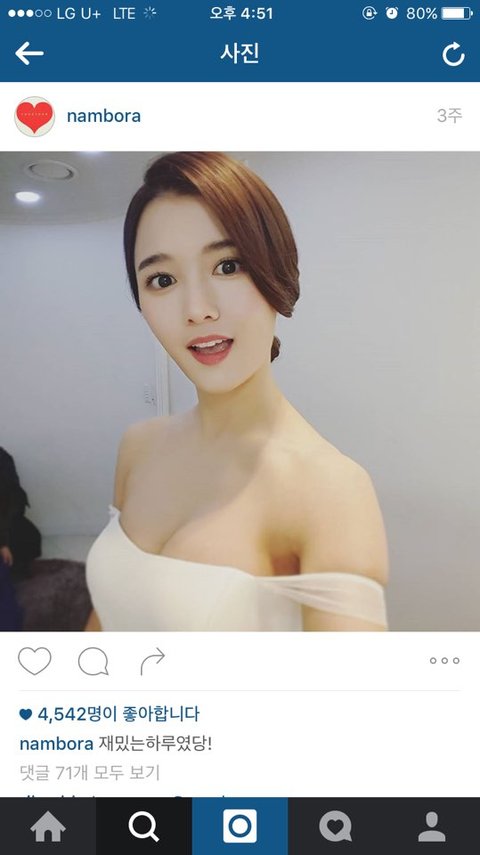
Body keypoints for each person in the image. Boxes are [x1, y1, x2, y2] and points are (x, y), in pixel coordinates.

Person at [86, 152, 389, 631]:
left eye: (228, 266)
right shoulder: (138, 447)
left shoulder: (330, 490)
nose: (197, 309)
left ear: (276, 270)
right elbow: (106, 619)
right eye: (162, 280)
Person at [0, 447, 41, 630]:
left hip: (4, 524)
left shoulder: (2, 458)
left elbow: (13, 497)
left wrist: (3, 541)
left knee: (29, 537)